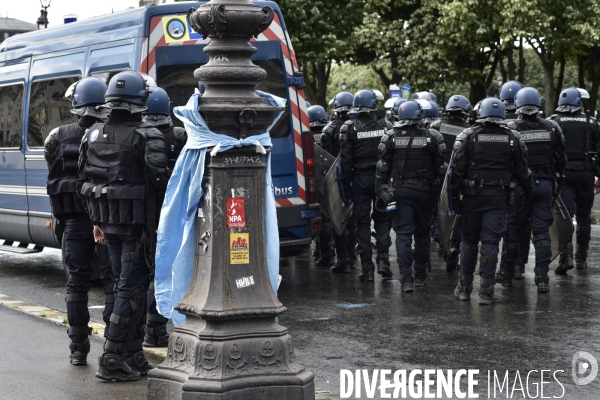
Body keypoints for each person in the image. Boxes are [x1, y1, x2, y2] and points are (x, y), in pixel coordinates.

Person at [78, 70, 170, 381]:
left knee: (125, 288)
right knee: (130, 293)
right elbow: (161, 180)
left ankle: (132, 355)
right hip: (137, 228)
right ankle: (111, 360)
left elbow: (84, 180)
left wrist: (97, 221)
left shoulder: (91, 133)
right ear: (140, 100)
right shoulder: (147, 135)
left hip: (108, 226)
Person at [44, 77, 112, 365]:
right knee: (113, 283)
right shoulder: (114, 133)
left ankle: (78, 349)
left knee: (77, 284)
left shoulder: (57, 136)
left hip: (74, 222)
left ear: (76, 105)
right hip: (108, 222)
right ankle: (113, 347)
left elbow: (54, 169)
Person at [450, 97, 534, 304]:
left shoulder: (467, 136)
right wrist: (529, 195)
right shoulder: (513, 138)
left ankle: (463, 288)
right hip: (498, 199)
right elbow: (524, 172)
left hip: (471, 199)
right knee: (490, 243)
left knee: (468, 242)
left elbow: (455, 174)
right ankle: (486, 292)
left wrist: (454, 202)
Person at [494, 87, 566, 292]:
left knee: (513, 232)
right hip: (544, 185)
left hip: (519, 187)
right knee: (542, 232)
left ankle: (507, 274)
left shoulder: (510, 128)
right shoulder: (552, 127)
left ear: (518, 106)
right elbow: (561, 159)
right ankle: (542, 278)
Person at [376, 100, 446, 292]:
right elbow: (442, 169)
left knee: (403, 235)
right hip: (424, 193)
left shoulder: (390, 136)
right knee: (422, 234)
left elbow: (382, 169)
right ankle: (421, 275)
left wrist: (380, 195)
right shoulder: (432, 136)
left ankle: (406, 278)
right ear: (419, 116)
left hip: (400, 192)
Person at [141, 87, 187, 347]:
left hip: (146, 213)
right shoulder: (179, 135)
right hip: (176, 212)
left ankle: (151, 329)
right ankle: (157, 327)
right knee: (171, 268)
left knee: (152, 270)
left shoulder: (141, 134)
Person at [339, 89, 393, 281]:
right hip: (381, 180)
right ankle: (384, 261)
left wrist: (346, 189)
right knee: (381, 220)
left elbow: (345, 162)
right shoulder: (386, 125)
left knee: (362, 222)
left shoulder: (349, 127)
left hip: (360, 180)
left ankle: (367, 269)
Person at [549, 88, 600, 273]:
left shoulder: (553, 122)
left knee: (566, 216)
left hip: (563, 175)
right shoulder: (592, 123)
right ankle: (581, 258)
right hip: (586, 174)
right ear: (580, 103)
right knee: (584, 215)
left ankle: (566, 256)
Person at [430, 95, 471, 272]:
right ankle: (453, 246)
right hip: (459, 179)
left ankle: (441, 240)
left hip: (438, 177)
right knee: (457, 214)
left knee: (437, 211)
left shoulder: (436, 126)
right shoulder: (470, 130)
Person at [321, 92, 357, 273]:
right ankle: (353, 256)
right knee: (353, 219)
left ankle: (343, 259)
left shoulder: (329, 130)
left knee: (337, 217)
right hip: (356, 179)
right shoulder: (357, 127)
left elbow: (324, 157)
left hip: (337, 179)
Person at [308, 104, 336, 267]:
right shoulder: (329, 132)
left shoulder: (306, 134)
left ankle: (325, 253)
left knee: (322, 218)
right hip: (331, 178)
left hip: (314, 181)